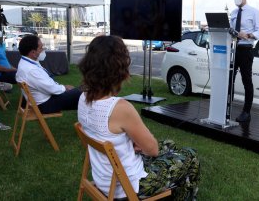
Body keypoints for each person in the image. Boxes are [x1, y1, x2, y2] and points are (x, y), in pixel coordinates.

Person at [78, 35, 200, 200]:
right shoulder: (120, 108)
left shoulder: (83, 97)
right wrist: (141, 146)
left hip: (105, 178)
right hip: (129, 185)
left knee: (169, 145)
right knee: (190, 155)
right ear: (119, 68)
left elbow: (108, 133)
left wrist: (132, 144)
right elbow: (152, 150)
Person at [15, 35, 81, 114]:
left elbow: (48, 86)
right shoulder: (31, 70)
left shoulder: (26, 62)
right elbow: (52, 89)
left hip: (44, 100)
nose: (43, 50)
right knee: (85, 94)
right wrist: (65, 88)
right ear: (33, 52)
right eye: (41, 48)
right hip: (46, 104)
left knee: (84, 95)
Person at [230, 0, 259, 122]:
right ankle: (225, 107)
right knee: (228, 79)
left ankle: (246, 112)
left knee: (246, 81)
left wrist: (248, 35)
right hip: (233, 49)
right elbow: (231, 30)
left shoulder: (254, 12)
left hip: (246, 49)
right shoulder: (233, 13)